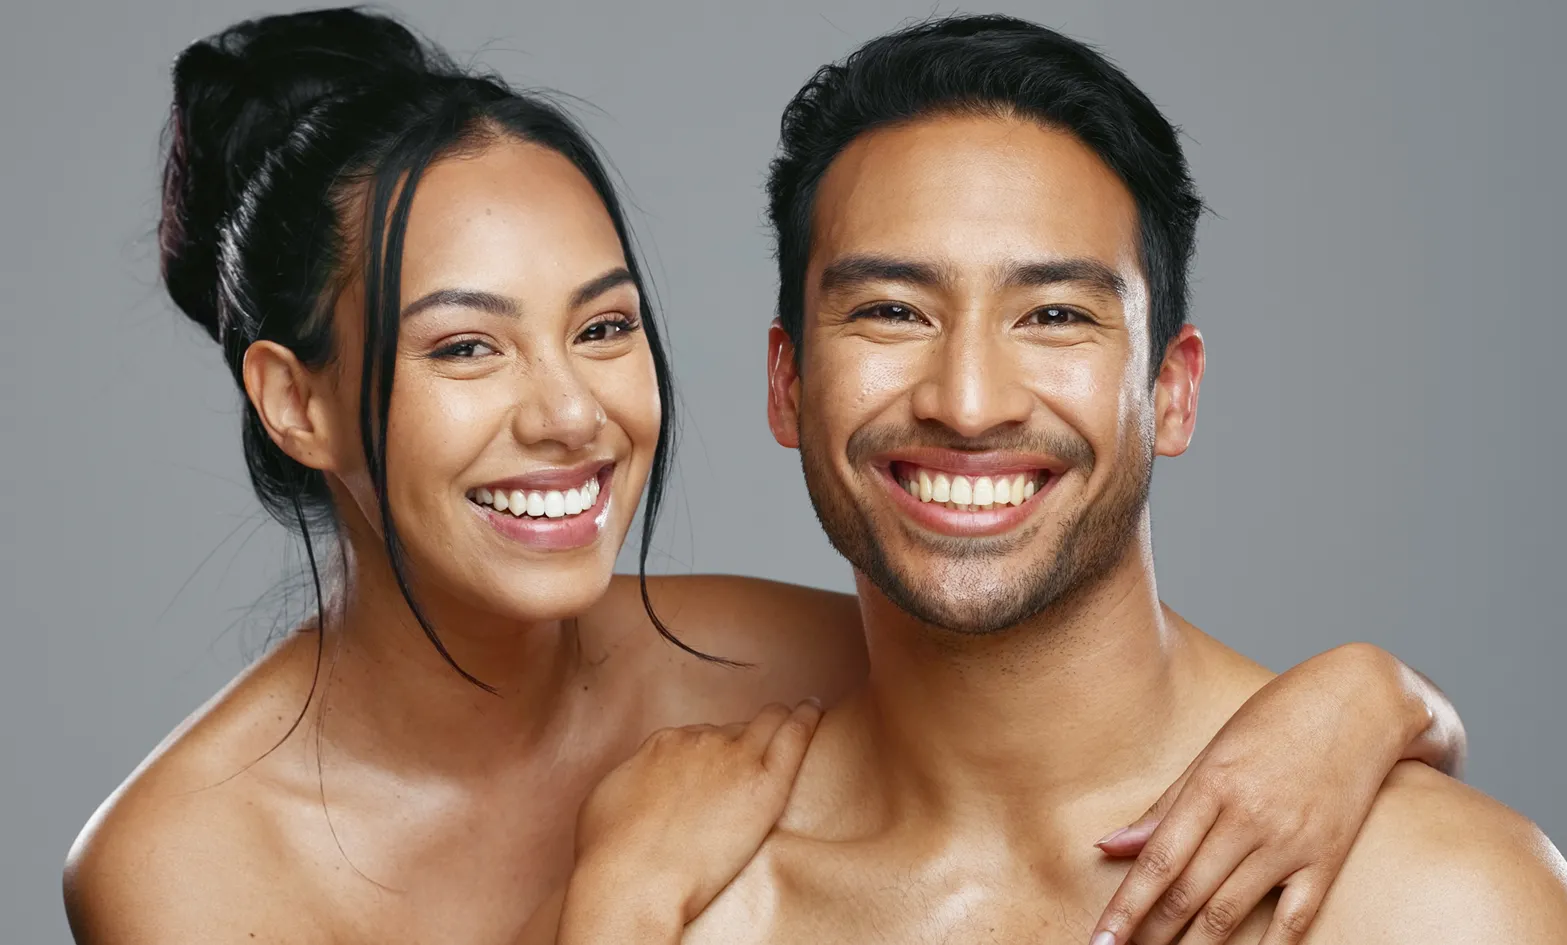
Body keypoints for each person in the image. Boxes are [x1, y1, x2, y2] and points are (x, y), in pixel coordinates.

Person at [62, 10, 1472, 945]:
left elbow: (1026, 643)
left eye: (605, 326)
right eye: (464, 347)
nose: (569, 413)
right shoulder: (185, 868)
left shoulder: (756, 659)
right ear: (297, 400)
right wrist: (608, 908)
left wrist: (1371, 699)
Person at [668, 14, 1567, 945]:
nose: (968, 404)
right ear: (787, 385)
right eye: (893, 311)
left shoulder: (1434, 899)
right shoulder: (690, 892)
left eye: (1054, 314)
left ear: (1171, 392)